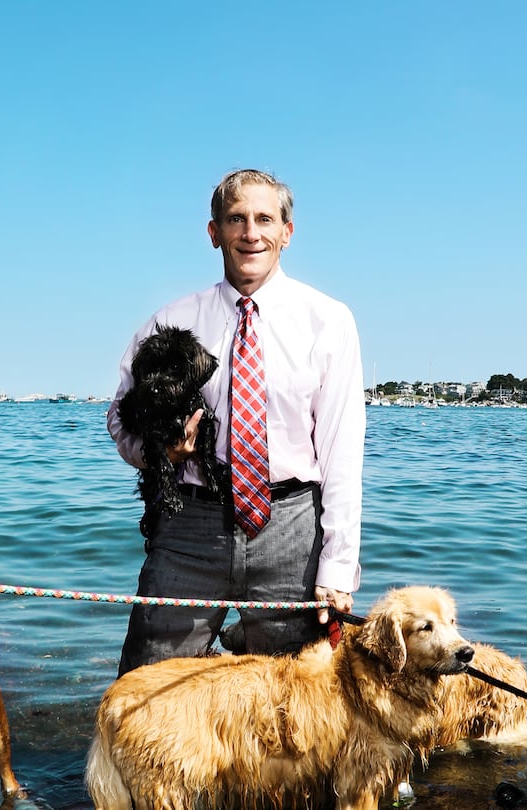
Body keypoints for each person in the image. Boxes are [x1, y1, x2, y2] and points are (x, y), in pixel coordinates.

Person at [106, 168, 366, 676]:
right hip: (187, 528)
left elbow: (341, 451)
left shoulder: (329, 321)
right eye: (236, 219)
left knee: (295, 708)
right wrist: (161, 450)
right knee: (147, 694)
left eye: (265, 219)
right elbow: (119, 418)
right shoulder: (168, 323)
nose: (251, 233)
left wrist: (338, 565)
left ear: (287, 232)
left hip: (292, 529)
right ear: (214, 233)